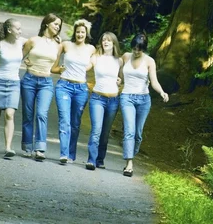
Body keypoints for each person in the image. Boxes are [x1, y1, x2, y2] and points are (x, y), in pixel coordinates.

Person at [120, 33, 169, 177]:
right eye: (134, 48)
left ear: (144, 49)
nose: (136, 51)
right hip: (127, 97)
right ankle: (129, 163)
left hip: (143, 100)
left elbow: (154, 81)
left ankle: (131, 154)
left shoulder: (149, 61)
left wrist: (162, 92)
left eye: (139, 49)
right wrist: (117, 80)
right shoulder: (125, 56)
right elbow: (120, 75)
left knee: (138, 134)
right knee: (129, 130)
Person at [51, 19, 96, 164]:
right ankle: (63, 154)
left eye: (83, 32)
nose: (80, 34)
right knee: (65, 120)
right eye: (78, 32)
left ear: (86, 33)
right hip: (64, 86)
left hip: (81, 89)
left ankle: (71, 154)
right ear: (74, 32)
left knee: (75, 123)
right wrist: (60, 69)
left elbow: (95, 64)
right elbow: (53, 67)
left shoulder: (91, 49)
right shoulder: (65, 45)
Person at [21, 13, 63, 161]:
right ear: (47, 24)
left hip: (46, 82)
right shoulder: (33, 40)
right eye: (55, 24)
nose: (57, 27)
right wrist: (25, 61)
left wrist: (63, 69)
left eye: (59, 25)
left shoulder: (58, 45)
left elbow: (55, 68)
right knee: (28, 114)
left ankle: (40, 148)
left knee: (41, 113)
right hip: (29, 80)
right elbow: (19, 56)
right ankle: (27, 146)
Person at [0, 18, 26, 158]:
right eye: (18, 29)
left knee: (9, 114)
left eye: (20, 29)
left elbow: (34, 49)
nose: (20, 31)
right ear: (9, 30)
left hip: (14, 83)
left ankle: (8, 148)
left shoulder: (21, 43)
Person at [85, 32, 123, 171]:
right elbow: (85, 66)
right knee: (96, 129)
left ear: (114, 43)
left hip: (113, 100)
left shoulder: (119, 60)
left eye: (109, 40)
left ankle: (100, 159)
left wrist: (119, 81)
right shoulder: (96, 57)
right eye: (103, 40)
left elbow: (121, 78)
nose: (105, 42)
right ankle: (91, 160)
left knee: (105, 132)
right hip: (97, 98)